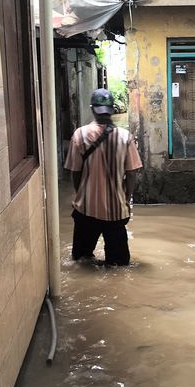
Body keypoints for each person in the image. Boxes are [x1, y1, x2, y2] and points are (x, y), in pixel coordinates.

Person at [64, 88, 143, 265]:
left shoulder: (80, 135)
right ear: (112, 110)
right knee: (119, 265)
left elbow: (74, 172)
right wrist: (126, 199)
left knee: (81, 261)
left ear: (92, 109)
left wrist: (81, 194)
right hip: (116, 211)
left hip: (86, 209)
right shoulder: (125, 137)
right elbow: (131, 174)